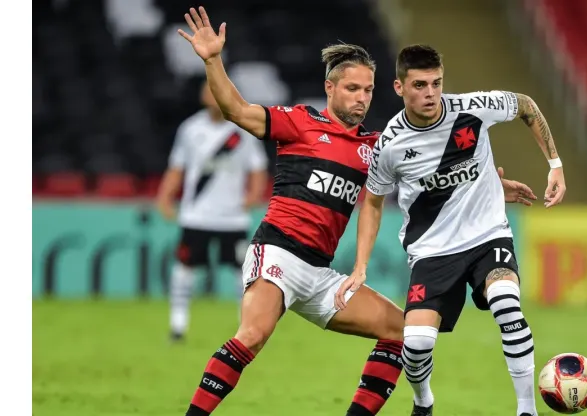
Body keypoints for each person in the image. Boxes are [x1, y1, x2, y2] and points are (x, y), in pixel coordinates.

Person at [176, 7, 537, 416]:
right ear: (329, 87)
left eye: (368, 90)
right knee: (253, 335)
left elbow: (426, 177)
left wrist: (487, 185)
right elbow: (237, 111)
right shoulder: (299, 123)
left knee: (403, 332)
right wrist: (212, 60)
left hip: (320, 271)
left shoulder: (376, 147)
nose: (362, 98)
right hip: (277, 252)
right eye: (352, 89)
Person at [337, 44, 567, 416]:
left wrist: (554, 164)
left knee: (507, 306)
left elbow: (525, 104)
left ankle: (527, 409)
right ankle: (423, 401)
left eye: (436, 83)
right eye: (420, 85)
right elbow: (374, 204)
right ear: (399, 88)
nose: (430, 94)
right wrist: (361, 266)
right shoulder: (390, 146)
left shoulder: (472, 109)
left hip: (488, 235)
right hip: (432, 251)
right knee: (416, 344)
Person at [156, 80, 268, 342]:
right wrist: (165, 196)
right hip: (196, 215)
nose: (212, 94)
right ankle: (178, 326)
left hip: (232, 218)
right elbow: (177, 167)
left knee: (241, 273)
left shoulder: (243, 130)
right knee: (185, 268)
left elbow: (258, 168)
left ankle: (246, 329)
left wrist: (252, 196)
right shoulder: (190, 128)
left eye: (216, 89)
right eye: (208, 90)